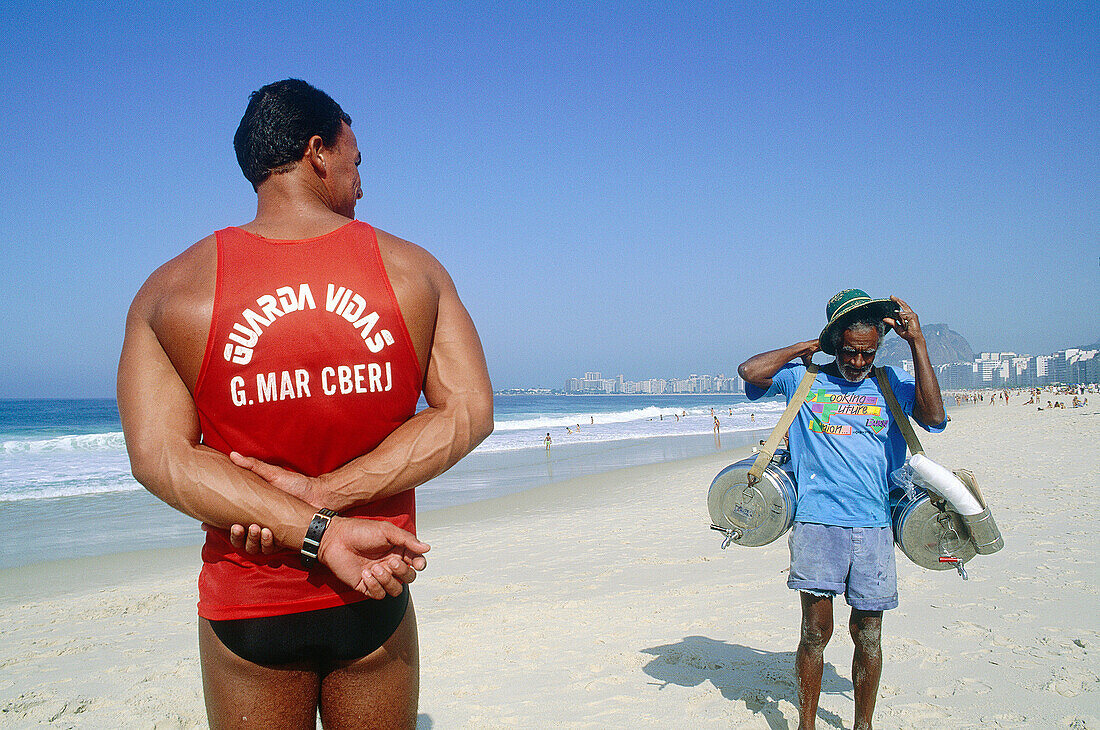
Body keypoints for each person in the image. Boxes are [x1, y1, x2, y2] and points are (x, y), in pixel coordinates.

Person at [117, 79, 494, 728]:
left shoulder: (172, 292)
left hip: (250, 601)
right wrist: (332, 498)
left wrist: (306, 520)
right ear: (318, 151)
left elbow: (160, 458)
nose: (362, 183)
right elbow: (467, 414)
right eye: (357, 161)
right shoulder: (413, 272)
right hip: (373, 586)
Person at [738, 289, 946, 730]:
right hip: (817, 525)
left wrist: (918, 343)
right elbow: (750, 371)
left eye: (867, 353)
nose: (858, 362)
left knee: (868, 635)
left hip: (874, 527)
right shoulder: (805, 379)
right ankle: (807, 724)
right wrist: (806, 347)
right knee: (815, 633)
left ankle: (863, 725)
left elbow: (933, 415)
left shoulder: (888, 382)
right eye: (849, 351)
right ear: (836, 344)